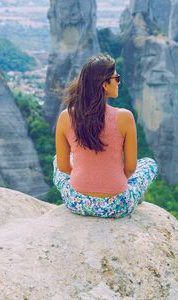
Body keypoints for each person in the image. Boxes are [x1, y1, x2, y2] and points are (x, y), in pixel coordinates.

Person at [53, 53, 158, 218]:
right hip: (117, 204)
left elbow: (63, 167)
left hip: (77, 201)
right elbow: (130, 167)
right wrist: (109, 181)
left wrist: (88, 179)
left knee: (56, 161)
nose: (118, 82)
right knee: (149, 164)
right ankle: (134, 195)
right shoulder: (124, 117)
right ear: (104, 84)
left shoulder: (66, 117)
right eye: (116, 78)